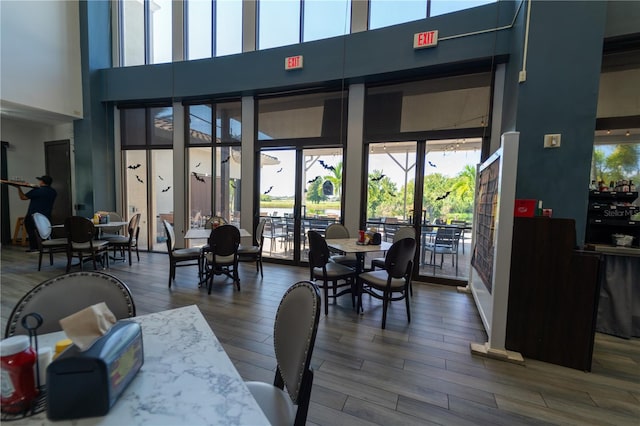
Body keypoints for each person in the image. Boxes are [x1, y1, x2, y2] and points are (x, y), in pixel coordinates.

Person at [16, 175, 57, 252]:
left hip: (33, 215)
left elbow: (23, 197)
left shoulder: (37, 191)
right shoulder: (53, 192)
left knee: (32, 232)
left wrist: (19, 188)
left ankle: (34, 248)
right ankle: (45, 246)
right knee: (44, 231)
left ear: (42, 182)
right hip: (46, 215)